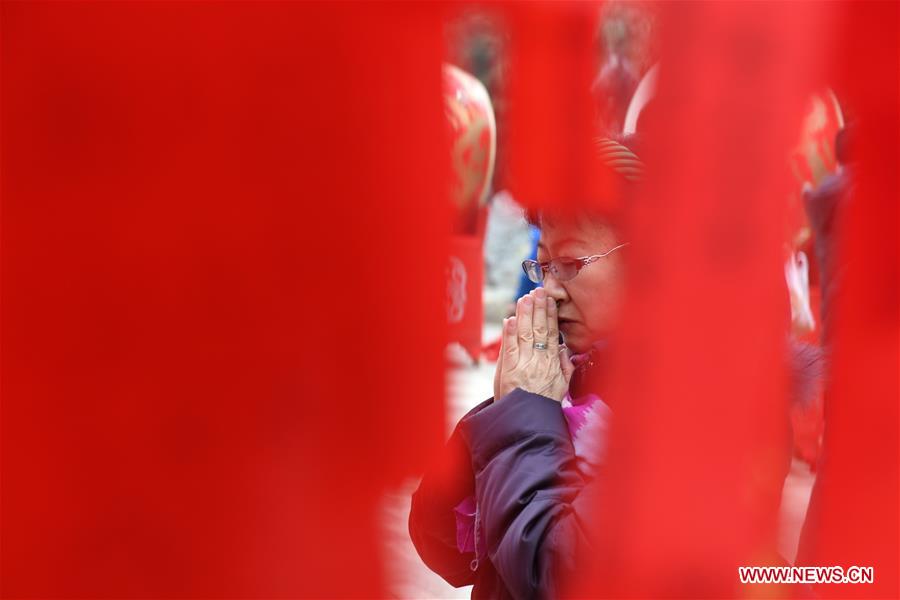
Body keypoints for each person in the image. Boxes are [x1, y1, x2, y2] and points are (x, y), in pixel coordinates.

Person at [408, 138, 640, 599]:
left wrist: (521, 424)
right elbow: (441, 543)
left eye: (571, 264)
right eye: (545, 265)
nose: (550, 291)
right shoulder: (566, 376)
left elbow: (553, 573)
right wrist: (505, 414)